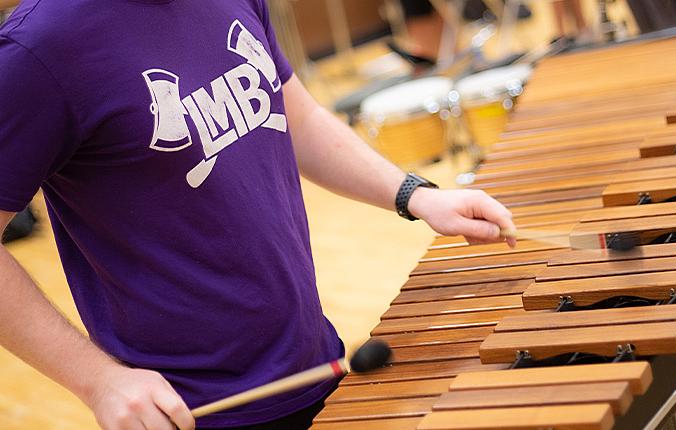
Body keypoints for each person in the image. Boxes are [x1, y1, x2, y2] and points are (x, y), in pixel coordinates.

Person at [0, 1, 516, 429]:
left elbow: (298, 117)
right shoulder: (37, 52)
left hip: (316, 363)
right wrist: (99, 379)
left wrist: (413, 194)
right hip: (193, 409)